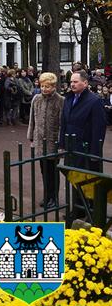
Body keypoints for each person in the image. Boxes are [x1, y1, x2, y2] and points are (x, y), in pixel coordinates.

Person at [27, 72, 64, 208]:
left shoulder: (60, 100)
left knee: (53, 171)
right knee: (44, 170)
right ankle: (47, 196)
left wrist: (60, 143)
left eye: (47, 86)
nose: (44, 89)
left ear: (53, 86)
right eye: (42, 86)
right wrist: (31, 136)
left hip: (53, 141)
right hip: (39, 140)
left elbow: (62, 123)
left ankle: (54, 198)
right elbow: (32, 119)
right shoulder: (36, 99)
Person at [59, 70, 107, 171]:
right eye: (71, 82)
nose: (72, 84)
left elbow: (99, 129)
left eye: (75, 82)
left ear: (85, 83)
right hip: (70, 148)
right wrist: (62, 145)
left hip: (85, 150)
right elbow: (64, 124)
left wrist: (95, 153)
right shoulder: (68, 99)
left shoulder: (95, 101)